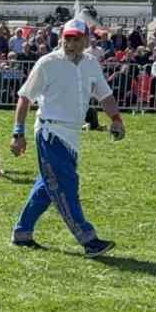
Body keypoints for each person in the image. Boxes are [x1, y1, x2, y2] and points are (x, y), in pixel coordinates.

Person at [9, 19, 125, 257]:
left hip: (73, 134)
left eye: (76, 39)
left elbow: (105, 94)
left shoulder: (91, 64)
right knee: (66, 185)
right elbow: (25, 98)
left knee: (47, 186)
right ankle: (88, 239)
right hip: (50, 132)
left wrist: (116, 118)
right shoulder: (48, 63)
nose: (70, 43)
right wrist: (18, 132)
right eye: (67, 38)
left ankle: (22, 233)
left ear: (86, 40)